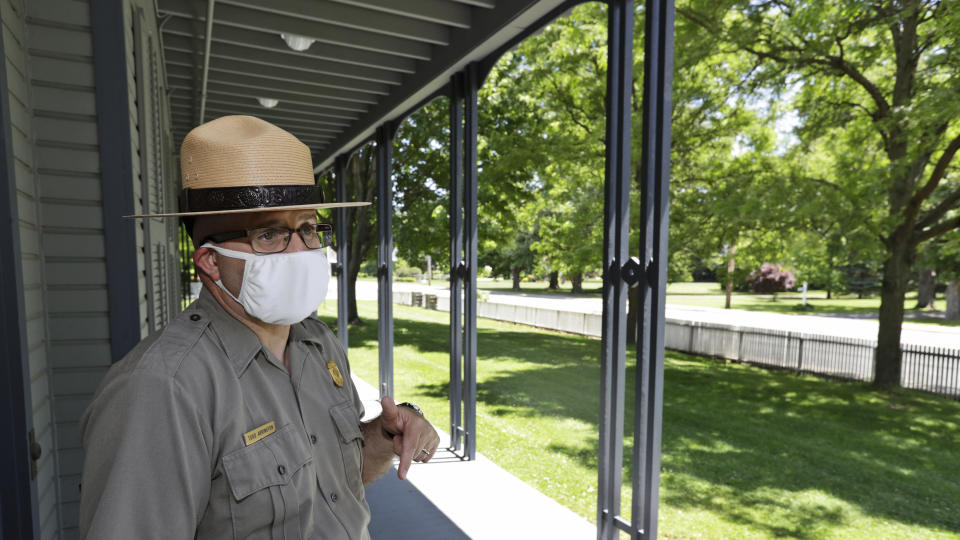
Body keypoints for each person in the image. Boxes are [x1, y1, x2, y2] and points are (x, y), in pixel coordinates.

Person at [78, 115, 440, 539]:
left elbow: (333, 485)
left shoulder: (318, 344)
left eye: (307, 228)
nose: (302, 250)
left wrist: (384, 436)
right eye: (269, 233)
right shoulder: (164, 388)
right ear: (210, 262)